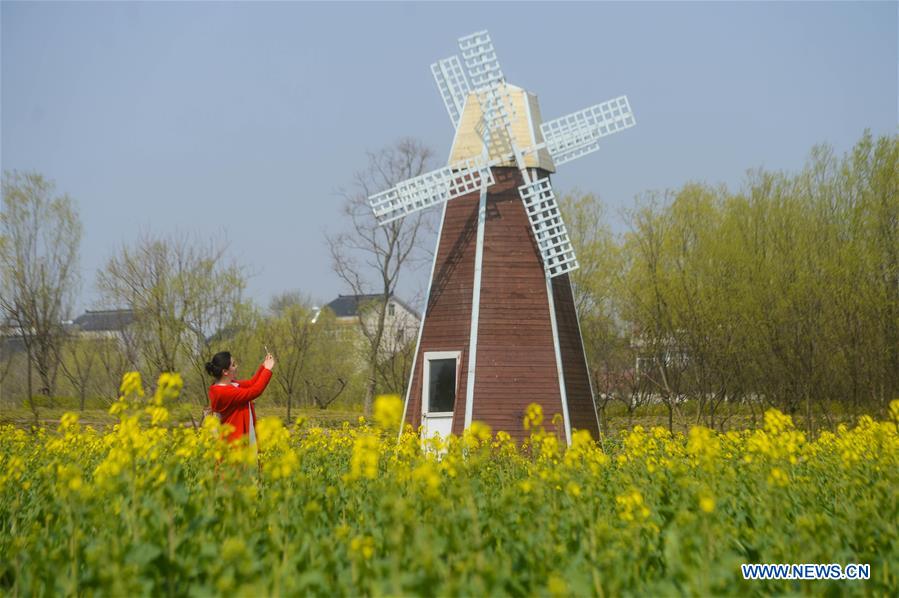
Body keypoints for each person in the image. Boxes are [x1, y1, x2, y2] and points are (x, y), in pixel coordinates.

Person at [205, 350, 275, 448]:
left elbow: (251, 383)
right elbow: (255, 391)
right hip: (236, 443)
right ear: (225, 371)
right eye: (233, 365)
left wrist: (264, 366)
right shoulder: (224, 392)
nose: (236, 366)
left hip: (242, 437)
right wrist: (268, 369)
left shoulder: (231, 385)